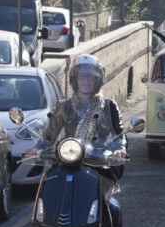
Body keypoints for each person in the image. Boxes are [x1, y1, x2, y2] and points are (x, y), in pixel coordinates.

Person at [24, 54, 127, 195]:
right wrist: (37, 148)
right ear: (75, 79)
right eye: (82, 76)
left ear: (98, 80)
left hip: (98, 161)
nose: (86, 80)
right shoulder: (63, 106)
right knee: (49, 188)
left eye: (91, 76)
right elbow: (49, 136)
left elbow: (119, 134)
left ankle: (106, 215)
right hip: (68, 160)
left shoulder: (109, 106)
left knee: (106, 200)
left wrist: (119, 149)